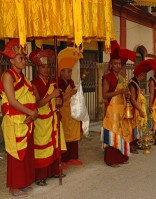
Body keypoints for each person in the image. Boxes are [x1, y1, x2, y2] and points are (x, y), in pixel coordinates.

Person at [0, 39, 38, 197]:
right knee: (16, 154)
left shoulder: (23, 77)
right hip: (15, 121)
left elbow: (30, 96)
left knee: (26, 154)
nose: (24, 61)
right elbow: (13, 101)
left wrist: (32, 112)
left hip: (26, 120)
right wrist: (31, 113)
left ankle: (23, 183)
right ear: (11, 60)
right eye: (20, 58)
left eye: (24, 58)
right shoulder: (7, 76)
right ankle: (14, 187)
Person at [29, 49, 67, 186]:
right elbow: (37, 103)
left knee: (54, 145)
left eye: (48, 67)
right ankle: (40, 176)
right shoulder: (34, 83)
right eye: (43, 67)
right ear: (38, 68)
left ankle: (53, 171)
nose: (46, 70)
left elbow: (60, 100)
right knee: (42, 148)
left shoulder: (53, 82)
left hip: (53, 118)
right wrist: (51, 96)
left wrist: (59, 101)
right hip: (41, 120)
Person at [101, 40, 135, 167]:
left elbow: (124, 91)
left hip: (121, 109)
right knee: (112, 132)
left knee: (121, 132)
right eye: (115, 63)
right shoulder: (107, 78)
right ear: (111, 64)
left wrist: (127, 94)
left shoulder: (122, 78)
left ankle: (121, 156)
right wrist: (118, 92)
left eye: (120, 63)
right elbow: (104, 95)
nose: (118, 66)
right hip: (111, 110)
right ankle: (110, 159)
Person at [58, 47, 83, 168]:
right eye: (67, 71)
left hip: (72, 112)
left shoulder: (71, 82)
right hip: (63, 113)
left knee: (74, 134)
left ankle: (73, 157)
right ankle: (62, 160)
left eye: (70, 71)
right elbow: (59, 99)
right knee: (64, 136)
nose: (69, 74)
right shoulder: (59, 83)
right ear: (61, 72)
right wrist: (70, 94)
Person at [128, 58, 153, 153]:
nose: (143, 78)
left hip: (137, 109)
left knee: (138, 127)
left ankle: (137, 143)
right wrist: (140, 110)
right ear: (139, 75)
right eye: (143, 76)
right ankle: (131, 145)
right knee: (133, 127)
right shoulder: (132, 84)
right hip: (133, 109)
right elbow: (133, 100)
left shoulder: (136, 84)